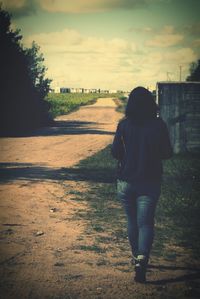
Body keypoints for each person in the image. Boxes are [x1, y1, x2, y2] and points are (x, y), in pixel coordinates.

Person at [111, 86, 173, 283]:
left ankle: (136, 256)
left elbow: (115, 152)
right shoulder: (159, 125)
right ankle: (142, 258)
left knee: (132, 221)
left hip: (126, 182)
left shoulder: (124, 125)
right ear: (150, 103)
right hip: (150, 181)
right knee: (145, 222)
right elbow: (167, 153)